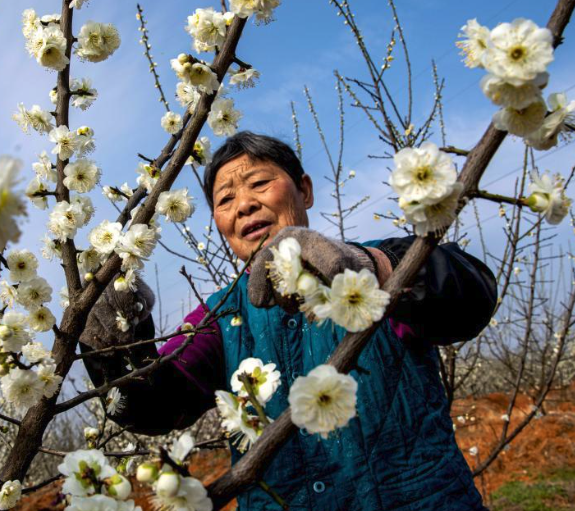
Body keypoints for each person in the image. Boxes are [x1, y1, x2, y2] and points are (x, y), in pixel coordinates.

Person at [81, 132, 497, 511]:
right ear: (220, 225)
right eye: (225, 200)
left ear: (305, 189)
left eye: (259, 183)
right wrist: (113, 347)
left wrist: (367, 271)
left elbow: (469, 299)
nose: (244, 204)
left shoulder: (380, 260)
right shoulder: (221, 317)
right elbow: (156, 403)